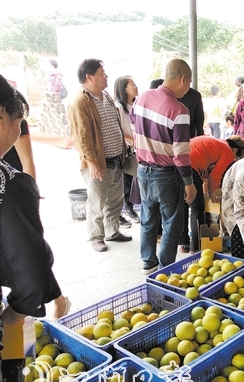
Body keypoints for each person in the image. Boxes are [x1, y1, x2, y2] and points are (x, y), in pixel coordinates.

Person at [0, 75, 66, 382]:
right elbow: (31, 271)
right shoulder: (9, 186)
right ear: (1, 118)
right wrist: (12, 315)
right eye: (18, 120)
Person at [130, 59, 197, 275]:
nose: (188, 89)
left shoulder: (141, 98)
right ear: (183, 79)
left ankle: (148, 263)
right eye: (189, 84)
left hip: (142, 171)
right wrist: (189, 183)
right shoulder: (179, 110)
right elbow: (180, 153)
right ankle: (165, 268)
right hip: (167, 175)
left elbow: (134, 130)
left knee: (148, 219)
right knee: (171, 223)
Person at [68, 59, 132, 253]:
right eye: (102, 73)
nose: (106, 77)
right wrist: (92, 162)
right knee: (96, 202)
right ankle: (96, 236)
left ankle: (112, 231)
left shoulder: (105, 96)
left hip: (115, 159)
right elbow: (81, 136)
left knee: (115, 199)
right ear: (89, 77)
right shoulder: (80, 102)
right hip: (97, 163)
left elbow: (115, 125)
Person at [183, 136, 244, 253]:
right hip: (189, 167)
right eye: (236, 158)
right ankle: (196, 248)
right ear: (234, 151)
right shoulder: (227, 151)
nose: (233, 160)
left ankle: (184, 244)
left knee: (183, 206)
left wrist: (207, 188)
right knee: (197, 209)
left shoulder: (218, 143)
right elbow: (214, 176)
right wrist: (212, 193)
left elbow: (206, 172)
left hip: (177, 161)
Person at [177, 84, 205, 253]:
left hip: (176, 155)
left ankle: (186, 243)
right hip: (189, 153)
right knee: (195, 205)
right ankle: (195, 245)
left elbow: (199, 123)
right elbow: (199, 124)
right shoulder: (194, 95)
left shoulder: (164, 95)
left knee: (183, 203)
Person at [113, 76, 140, 225]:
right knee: (126, 181)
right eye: (133, 85)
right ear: (124, 89)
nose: (136, 87)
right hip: (126, 149)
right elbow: (120, 130)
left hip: (137, 147)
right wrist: (133, 141)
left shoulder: (136, 105)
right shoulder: (119, 107)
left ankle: (130, 208)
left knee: (133, 179)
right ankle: (126, 210)